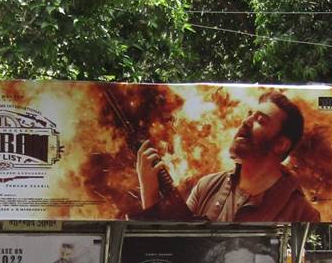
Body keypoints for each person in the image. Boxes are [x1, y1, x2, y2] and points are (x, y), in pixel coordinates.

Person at [136, 91, 319, 223]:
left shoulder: (302, 213)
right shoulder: (207, 186)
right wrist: (149, 191)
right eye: (249, 115)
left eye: (261, 121)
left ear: (281, 144)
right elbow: (178, 249)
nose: (246, 122)